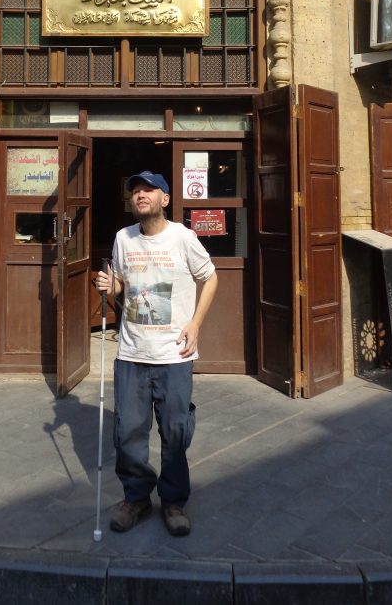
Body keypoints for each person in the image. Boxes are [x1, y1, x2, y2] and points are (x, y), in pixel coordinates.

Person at [96, 170, 218, 537]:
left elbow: (210, 277)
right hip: (132, 352)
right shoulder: (123, 238)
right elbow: (121, 283)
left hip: (174, 355)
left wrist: (196, 324)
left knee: (175, 431)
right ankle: (136, 498)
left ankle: (174, 500)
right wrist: (110, 284)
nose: (140, 195)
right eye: (135, 190)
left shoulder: (183, 237)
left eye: (149, 190)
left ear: (165, 199)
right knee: (127, 431)